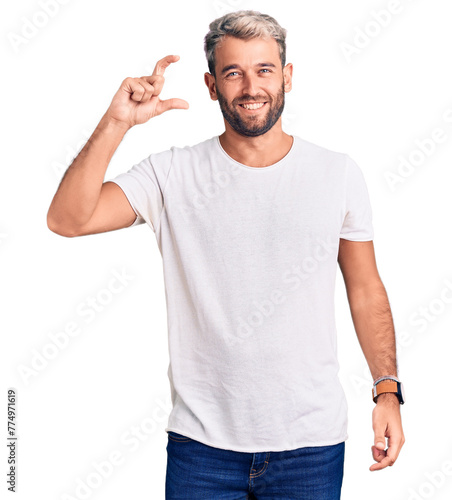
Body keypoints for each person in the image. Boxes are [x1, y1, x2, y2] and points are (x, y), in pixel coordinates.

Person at [47, 9, 405, 499]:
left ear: (288, 77)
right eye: (233, 72)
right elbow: (67, 219)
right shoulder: (171, 174)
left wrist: (388, 392)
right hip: (202, 448)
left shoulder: (337, 174)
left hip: (312, 445)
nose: (250, 86)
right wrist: (117, 122)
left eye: (264, 69)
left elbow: (365, 288)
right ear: (212, 85)